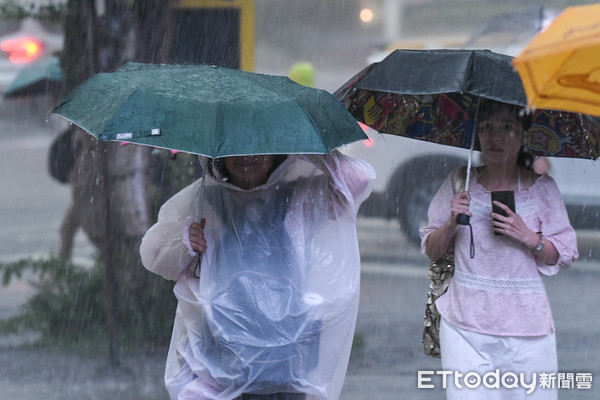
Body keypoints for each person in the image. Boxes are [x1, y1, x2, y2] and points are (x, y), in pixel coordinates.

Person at [140, 151, 375, 400]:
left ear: (277, 153)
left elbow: (358, 180)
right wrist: (183, 239)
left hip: (285, 359)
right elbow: (154, 255)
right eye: (237, 149)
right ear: (219, 153)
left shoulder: (299, 196)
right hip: (217, 359)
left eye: (260, 148)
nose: (248, 156)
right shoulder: (202, 201)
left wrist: (309, 149)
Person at [420, 100, 578, 400]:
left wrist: (530, 237)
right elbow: (432, 249)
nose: (495, 137)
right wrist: (452, 221)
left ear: (523, 137)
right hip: (464, 324)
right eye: (487, 127)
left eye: (507, 128)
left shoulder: (541, 188)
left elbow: (564, 253)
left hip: (527, 327)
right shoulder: (459, 183)